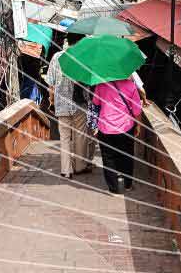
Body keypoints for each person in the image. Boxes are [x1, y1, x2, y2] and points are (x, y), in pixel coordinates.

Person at [45, 33, 93, 178]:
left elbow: (51, 85)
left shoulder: (56, 57)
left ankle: (66, 171)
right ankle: (79, 166)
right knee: (80, 136)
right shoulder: (84, 58)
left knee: (64, 139)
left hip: (62, 105)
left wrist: (51, 101)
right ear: (80, 41)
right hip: (80, 105)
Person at [92, 76, 142, 194]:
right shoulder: (131, 86)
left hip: (105, 127)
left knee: (108, 157)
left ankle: (113, 188)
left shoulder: (101, 85)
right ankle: (128, 185)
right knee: (127, 155)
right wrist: (138, 126)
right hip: (125, 127)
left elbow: (96, 102)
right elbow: (137, 110)